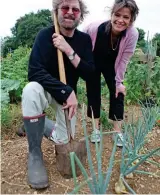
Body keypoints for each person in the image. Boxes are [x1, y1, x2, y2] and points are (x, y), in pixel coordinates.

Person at [21, 0, 94, 189]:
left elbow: (90, 74)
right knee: (30, 90)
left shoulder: (84, 40)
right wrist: (65, 90)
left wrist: (68, 50)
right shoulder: (45, 36)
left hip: (67, 100)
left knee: (62, 140)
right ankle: (35, 154)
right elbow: (34, 71)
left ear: (80, 14)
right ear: (56, 12)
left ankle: (38, 123)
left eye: (75, 9)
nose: (70, 12)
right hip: (47, 91)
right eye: (65, 8)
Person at [84, 0, 139, 145]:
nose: (120, 20)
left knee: (118, 92)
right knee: (93, 92)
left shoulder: (132, 34)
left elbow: (124, 59)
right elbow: (82, 41)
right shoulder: (95, 28)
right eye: (117, 15)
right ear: (112, 14)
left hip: (113, 64)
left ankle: (117, 132)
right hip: (94, 60)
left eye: (126, 17)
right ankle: (96, 129)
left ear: (131, 20)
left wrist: (119, 82)